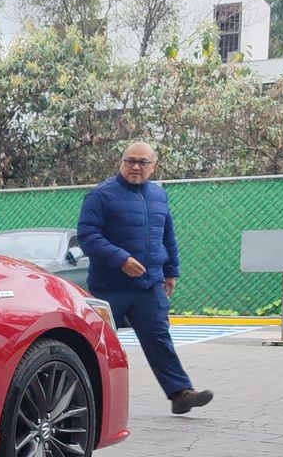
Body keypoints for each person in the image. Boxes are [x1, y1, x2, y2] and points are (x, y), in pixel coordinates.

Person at [76, 141, 214, 415]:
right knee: (98, 344)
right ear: (121, 162)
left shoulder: (158, 196)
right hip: (109, 287)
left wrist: (171, 272)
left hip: (149, 285)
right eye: (130, 161)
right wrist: (121, 260)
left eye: (142, 162)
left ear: (154, 166)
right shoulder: (100, 196)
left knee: (159, 338)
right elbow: (87, 236)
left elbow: (167, 237)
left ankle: (180, 394)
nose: (135, 167)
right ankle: (83, 398)